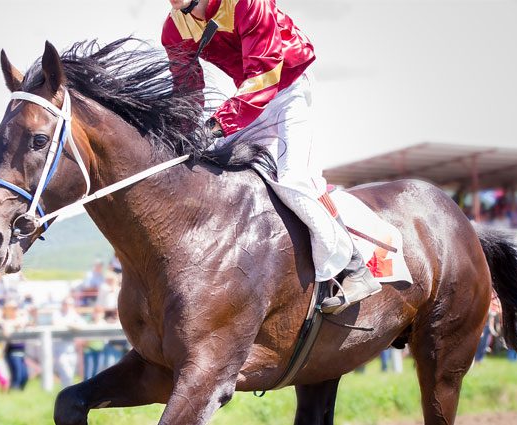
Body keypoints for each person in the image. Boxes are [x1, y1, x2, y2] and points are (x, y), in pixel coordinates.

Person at [161, 0, 380, 314]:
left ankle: (353, 268)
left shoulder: (248, 3)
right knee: (203, 165)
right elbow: (187, 87)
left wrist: (216, 125)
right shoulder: (174, 28)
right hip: (248, 101)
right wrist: (182, 133)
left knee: (294, 177)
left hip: (287, 89)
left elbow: (265, 73)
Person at [52, 296, 86, 387]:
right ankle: (66, 395)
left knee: (70, 375)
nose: (67, 306)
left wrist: (71, 326)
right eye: (65, 303)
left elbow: (83, 325)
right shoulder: (57, 314)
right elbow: (57, 324)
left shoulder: (73, 314)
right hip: (60, 350)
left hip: (72, 350)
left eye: (70, 304)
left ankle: (66, 394)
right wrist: (71, 325)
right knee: (66, 374)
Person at [2, 301, 30, 391]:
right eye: (13, 308)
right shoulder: (6, 321)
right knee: (17, 376)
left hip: (21, 352)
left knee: (25, 376)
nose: (15, 310)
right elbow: (6, 333)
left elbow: (27, 320)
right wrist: (14, 325)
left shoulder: (20, 319)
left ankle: (19, 393)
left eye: (16, 308)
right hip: (12, 352)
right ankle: (13, 393)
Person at [82, 306, 106, 380]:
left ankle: (94, 390)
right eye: (96, 313)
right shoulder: (89, 323)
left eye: (99, 313)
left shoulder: (104, 324)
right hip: (89, 349)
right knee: (88, 373)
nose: (98, 315)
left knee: (97, 372)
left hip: (100, 350)